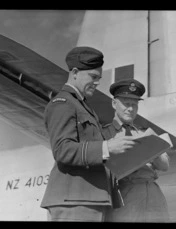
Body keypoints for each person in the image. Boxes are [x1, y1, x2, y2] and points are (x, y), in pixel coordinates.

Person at [40, 47, 136, 221]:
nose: (97, 82)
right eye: (93, 77)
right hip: (75, 200)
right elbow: (62, 149)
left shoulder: (83, 107)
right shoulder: (63, 103)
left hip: (92, 198)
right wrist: (107, 147)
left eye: (99, 78)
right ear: (75, 72)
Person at [103, 79, 170, 222]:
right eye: (126, 103)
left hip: (153, 192)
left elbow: (165, 166)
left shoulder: (146, 132)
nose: (131, 109)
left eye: (135, 104)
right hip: (125, 194)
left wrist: (153, 147)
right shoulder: (104, 134)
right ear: (114, 103)